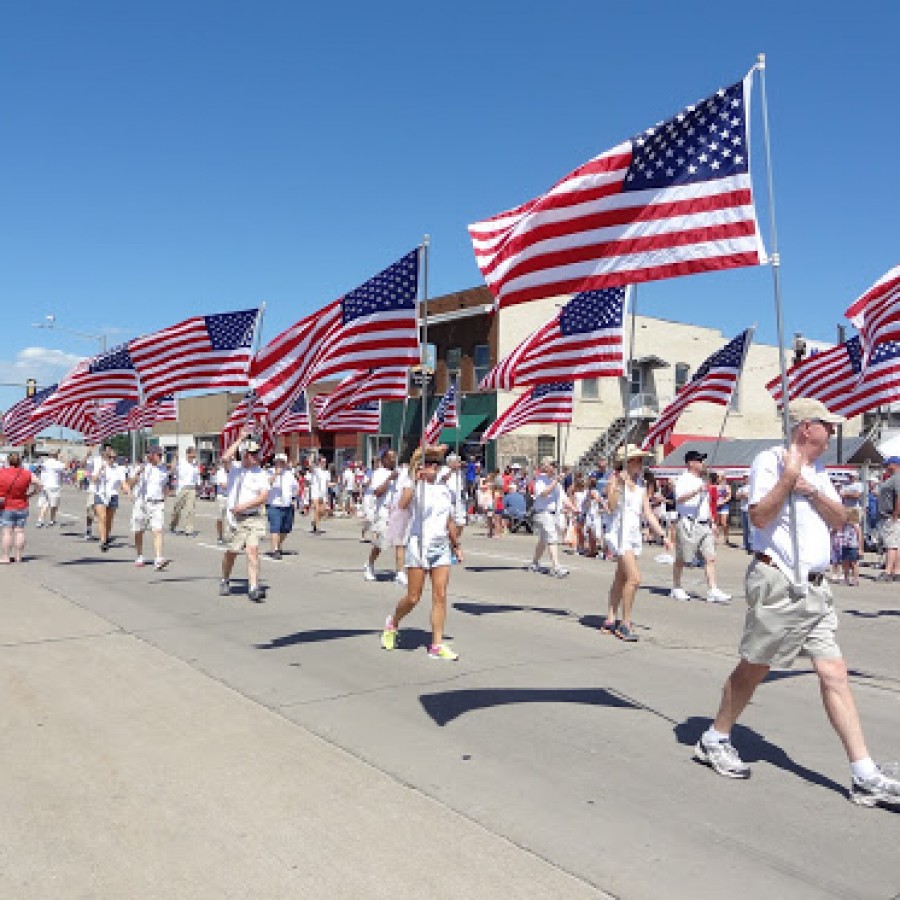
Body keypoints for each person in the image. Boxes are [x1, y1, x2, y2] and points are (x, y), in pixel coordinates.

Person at [693, 398, 900, 809]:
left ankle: (864, 774)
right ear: (807, 428)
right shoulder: (770, 460)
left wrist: (808, 488)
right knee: (755, 667)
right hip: (780, 581)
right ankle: (714, 738)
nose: (833, 433)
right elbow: (758, 518)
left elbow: (841, 517)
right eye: (828, 426)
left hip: (817, 588)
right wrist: (788, 480)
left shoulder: (819, 471)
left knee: (834, 672)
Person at [380, 446, 463, 661]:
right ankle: (393, 622)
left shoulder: (444, 489)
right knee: (413, 597)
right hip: (419, 545)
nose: (433, 468)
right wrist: (415, 480)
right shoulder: (414, 487)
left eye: (436, 464)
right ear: (420, 467)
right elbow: (402, 504)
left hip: (440, 547)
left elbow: (449, 520)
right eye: (429, 464)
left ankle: (436, 644)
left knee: (440, 596)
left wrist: (456, 545)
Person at [600, 447, 672, 641]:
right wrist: (619, 486)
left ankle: (610, 619)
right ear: (627, 462)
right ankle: (625, 623)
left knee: (621, 578)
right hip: (619, 533)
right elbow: (612, 506)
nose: (640, 463)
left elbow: (647, 512)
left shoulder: (640, 484)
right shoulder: (615, 479)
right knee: (634, 578)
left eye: (641, 460)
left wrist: (663, 535)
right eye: (637, 460)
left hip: (632, 533)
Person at [670, 450, 732, 604]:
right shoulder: (684, 479)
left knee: (710, 557)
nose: (703, 463)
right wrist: (697, 491)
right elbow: (679, 499)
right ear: (691, 463)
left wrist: (712, 521)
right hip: (688, 522)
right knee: (682, 557)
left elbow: (705, 505)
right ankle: (676, 587)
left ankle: (713, 589)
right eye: (699, 461)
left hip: (704, 523)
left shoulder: (702, 480)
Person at [220, 433, 270, 602]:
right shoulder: (235, 470)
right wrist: (240, 439)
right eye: (252, 454)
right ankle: (225, 579)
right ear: (245, 455)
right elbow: (225, 457)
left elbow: (264, 497)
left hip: (254, 517)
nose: (256, 457)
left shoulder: (261, 473)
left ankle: (254, 587)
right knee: (232, 553)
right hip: (235, 519)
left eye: (257, 453)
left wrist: (245, 505)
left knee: (252, 551)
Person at [125, 447, 171, 571]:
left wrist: (165, 496)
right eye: (158, 455)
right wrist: (139, 473)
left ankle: (158, 559)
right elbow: (129, 484)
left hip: (157, 504)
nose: (160, 457)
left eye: (161, 455)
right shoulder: (141, 468)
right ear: (151, 455)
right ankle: (140, 555)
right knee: (139, 530)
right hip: (141, 502)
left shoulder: (163, 470)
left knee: (158, 530)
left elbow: (165, 485)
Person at [364, 449, 405, 583]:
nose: (394, 460)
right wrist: (389, 479)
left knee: (400, 543)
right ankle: (369, 564)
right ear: (384, 459)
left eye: (395, 457)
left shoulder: (400, 473)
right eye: (391, 457)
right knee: (381, 543)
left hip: (397, 512)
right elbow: (377, 492)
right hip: (383, 512)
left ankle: (399, 572)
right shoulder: (379, 473)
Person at [527, 457, 568, 577]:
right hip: (543, 513)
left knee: (543, 541)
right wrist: (555, 481)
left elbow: (563, 497)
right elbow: (544, 493)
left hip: (553, 513)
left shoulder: (555, 481)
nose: (555, 467)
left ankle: (534, 563)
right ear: (546, 466)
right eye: (552, 464)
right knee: (552, 538)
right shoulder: (540, 480)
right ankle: (556, 567)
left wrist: (573, 508)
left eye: (555, 464)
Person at [0, 452, 42, 563]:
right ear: (20, 461)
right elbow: (40, 484)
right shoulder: (27, 473)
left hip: (6, 505)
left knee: (7, 532)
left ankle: (5, 557)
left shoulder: (2, 472)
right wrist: (31, 494)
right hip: (22, 504)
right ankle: (18, 556)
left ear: (8, 461)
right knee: (19, 531)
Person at [91, 444, 127, 552]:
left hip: (113, 495)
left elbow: (123, 482)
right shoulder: (100, 465)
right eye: (110, 457)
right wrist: (100, 470)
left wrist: (127, 490)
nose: (112, 460)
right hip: (100, 494)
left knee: (109, 520)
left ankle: (106, 537)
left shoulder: (119, 469)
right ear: (106, 457)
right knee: (102, 517)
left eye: (114, 458)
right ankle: (103, 541)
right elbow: (93, 480)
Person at [267, 453, 299, 559]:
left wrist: (294, 499)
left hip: (287, 504)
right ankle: (275, 549)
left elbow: (295, 488)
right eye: (278, 462)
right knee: (275, 528)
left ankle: (278, 544)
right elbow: (266, 485)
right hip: (274, 505)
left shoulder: (289, 474)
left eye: (282, 462)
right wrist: (275, 474)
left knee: (286, 528)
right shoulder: (269, 472)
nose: (280, 464)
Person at [875, 456, 900, 582]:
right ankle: (896, 571)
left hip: (890, 516)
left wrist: (895, 513)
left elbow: (899, 495)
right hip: (890, 516)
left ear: (894, 465)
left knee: (891, 545)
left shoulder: (897, 478)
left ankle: (888, 572)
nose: (886, 468)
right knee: (895, 545)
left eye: (888, 465)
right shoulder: (894, 478)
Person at [440, 453, 468, 555]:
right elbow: (442, 478)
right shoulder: (443, 469)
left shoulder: (460, 472)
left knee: (461, 524)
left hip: (459, 502)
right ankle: (451, 546)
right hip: (448, 502)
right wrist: (451, 470)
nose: (459, 464)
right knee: (449, 525)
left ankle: (451, 542)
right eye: (457, 462)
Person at [169, 447, 200, 536]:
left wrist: (198, 485)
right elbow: (172, 469)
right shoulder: (181, 462)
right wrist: (175, 457)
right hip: (182, 488)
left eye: (194, 455)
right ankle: (173, 525)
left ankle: (188, 530)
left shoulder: (195, 464)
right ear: (187, 454)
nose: (194, 457)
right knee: (177, 509)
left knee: (190, 510)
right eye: (192, 455)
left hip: (192, 488)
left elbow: (196, 476)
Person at [35, 450, 65, 528]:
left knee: (44, 504)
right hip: (53, 486)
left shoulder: (45, 462)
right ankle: (52, 520)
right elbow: (66, 466)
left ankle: (40, 520)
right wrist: (63, 458)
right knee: (54, 504)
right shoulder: (56, 463)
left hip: (44, 485)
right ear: (56, 456)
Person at [839, 508, 863, 586]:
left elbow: (860, 538)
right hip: (845, 546)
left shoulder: (856, 526)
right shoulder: (844, 525)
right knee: (845, 563)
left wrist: (860, 549)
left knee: (854, 563)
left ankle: (855, 579)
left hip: (853, 547)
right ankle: (846, 578)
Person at [309, 455, 330, 533]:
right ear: (319, 462)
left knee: (322, 511)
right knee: (317, 510)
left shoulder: (327, 472)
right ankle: (317, 528)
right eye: (322, 462)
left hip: (323, 493)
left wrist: (335, 484)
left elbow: (327, 484)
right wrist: (311, 456)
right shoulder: (316, 470)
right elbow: (310, 465)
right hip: (315, 492)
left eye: (325, 462)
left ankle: (314, 522)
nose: (324, 463)